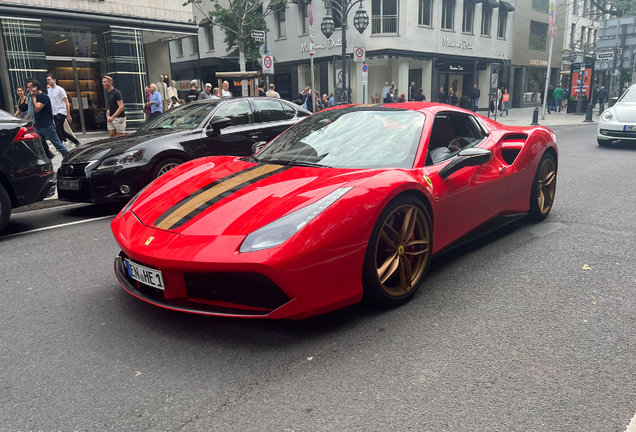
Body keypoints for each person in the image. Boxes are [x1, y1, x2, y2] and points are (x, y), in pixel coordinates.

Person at [30, 80, 68, 158]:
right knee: (40, 145)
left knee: (57, 144)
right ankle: (49, 155)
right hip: (38, 126)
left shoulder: (43, 97)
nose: (29, 90)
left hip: (47, 126)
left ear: (36, 88)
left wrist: (33, 97)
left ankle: (68, 156)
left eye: (30, 88)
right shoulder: (36, 97)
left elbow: (37, 108)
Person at [47, 74, 80, 145]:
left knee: (58, 129)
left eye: (49, 80)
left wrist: (68, 114)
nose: (48, 81)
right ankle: (76, 142)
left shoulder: (60, 89)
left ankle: (60, 146)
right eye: (47, 80)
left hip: (61, 111)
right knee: (61, 130)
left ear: (54, 80)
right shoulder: (49, 91)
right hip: (54, 112)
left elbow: (66, 102)